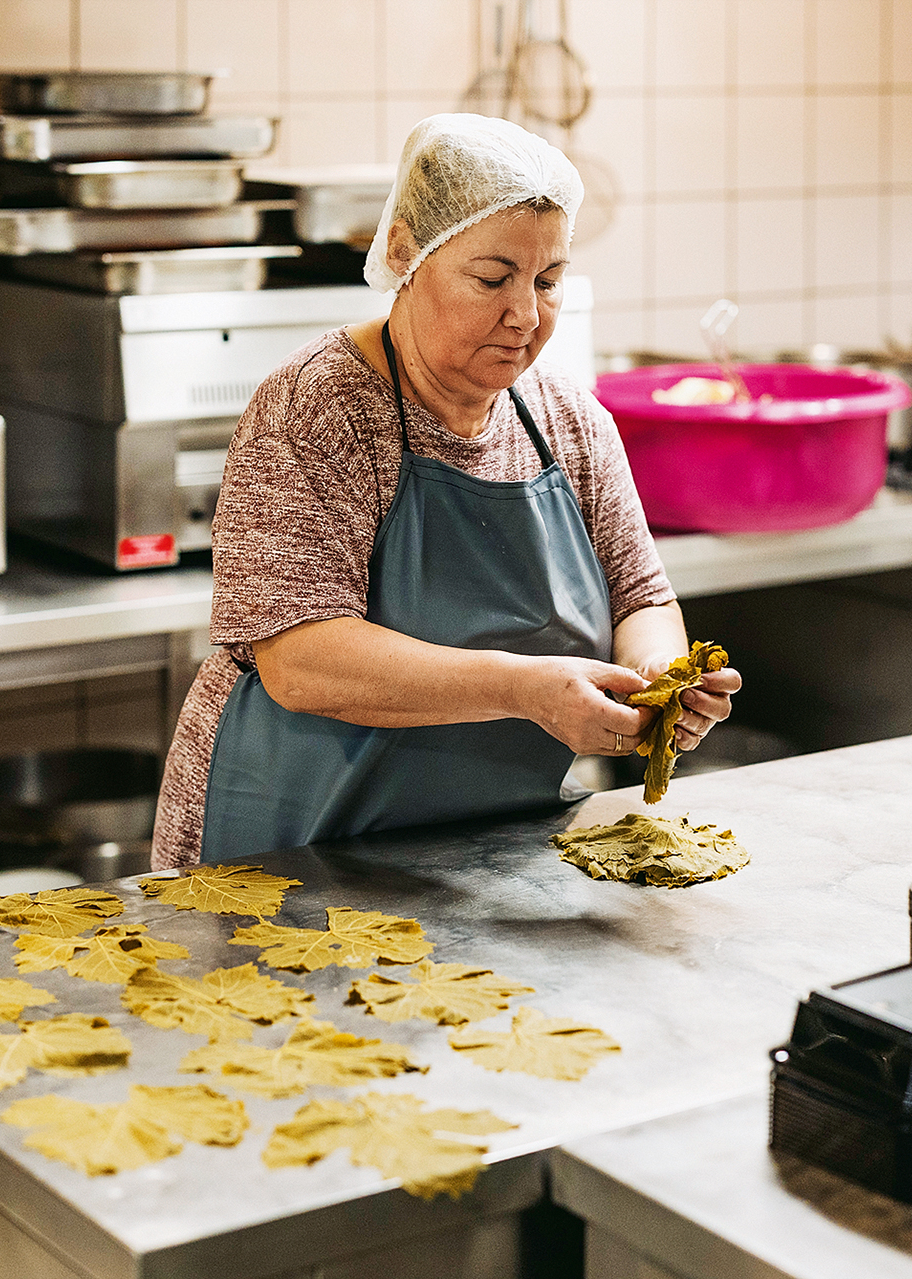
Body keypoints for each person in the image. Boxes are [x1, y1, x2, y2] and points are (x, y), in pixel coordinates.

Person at [151, 113, 742, 869]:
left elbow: (640, 598)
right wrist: (529, 689)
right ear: (405, 253)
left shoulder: (568, 420)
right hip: (286, 848)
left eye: (549, 281)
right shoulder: (319, 407)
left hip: (472, 851)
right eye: (492, 278)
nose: (525, 314)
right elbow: (300, 659)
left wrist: (657, 681)